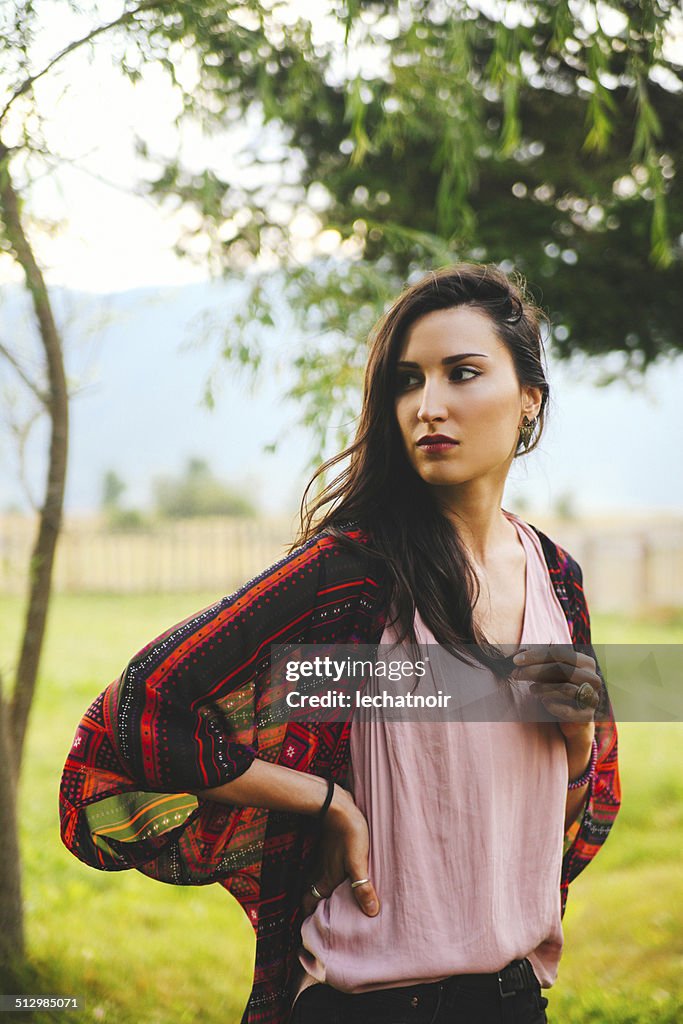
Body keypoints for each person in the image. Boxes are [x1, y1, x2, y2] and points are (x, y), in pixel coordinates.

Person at [60, 263, 621, 1024]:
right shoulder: (352, 574)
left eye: (461, 374)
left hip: (514, 1000)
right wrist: (326, 801)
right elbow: (144, 711)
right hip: (368, 1004)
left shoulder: (556, 578)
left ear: (529, 399)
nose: (428, 406)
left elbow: (557, 831)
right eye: (405, 382)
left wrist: (579, 744)